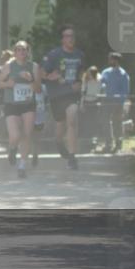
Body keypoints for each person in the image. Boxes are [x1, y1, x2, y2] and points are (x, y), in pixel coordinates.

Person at [40, 25, 84, 169]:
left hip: (71, 95)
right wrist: (50, 76)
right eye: (67, 36)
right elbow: (41, 73)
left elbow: (81, 74)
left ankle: (72, 157)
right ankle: (58, 142)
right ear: (62, 39)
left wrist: (79, 83)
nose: (70, 39)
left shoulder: (79, 55)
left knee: (72, 120)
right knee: (60, 126)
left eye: (72, 36)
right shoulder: (54, 55)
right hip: (57, 96)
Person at [0, 41, 41, 178]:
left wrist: (31, 80)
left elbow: (38, 89)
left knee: (27, 134)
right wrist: (7, 84)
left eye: (25, 50)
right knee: (15, 135)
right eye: (19, 49)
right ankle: (12, 148)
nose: (22, 52)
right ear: (15, 52)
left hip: (28, 104)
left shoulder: (34, 67)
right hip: (12, 104)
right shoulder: (9, 66)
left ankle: (22, 165)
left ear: (28, 52)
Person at [99, 52, 130, 153]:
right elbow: (100, 83)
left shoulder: (123, 74)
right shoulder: (105, 72)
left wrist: (121, 101)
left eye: (110, 59)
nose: (109, 61)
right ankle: (108, 143)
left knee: (117, 122)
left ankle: (118, 143)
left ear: (116, 60)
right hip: (106, 100)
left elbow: (125, 90)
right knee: (105, 121)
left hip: (118, 102)